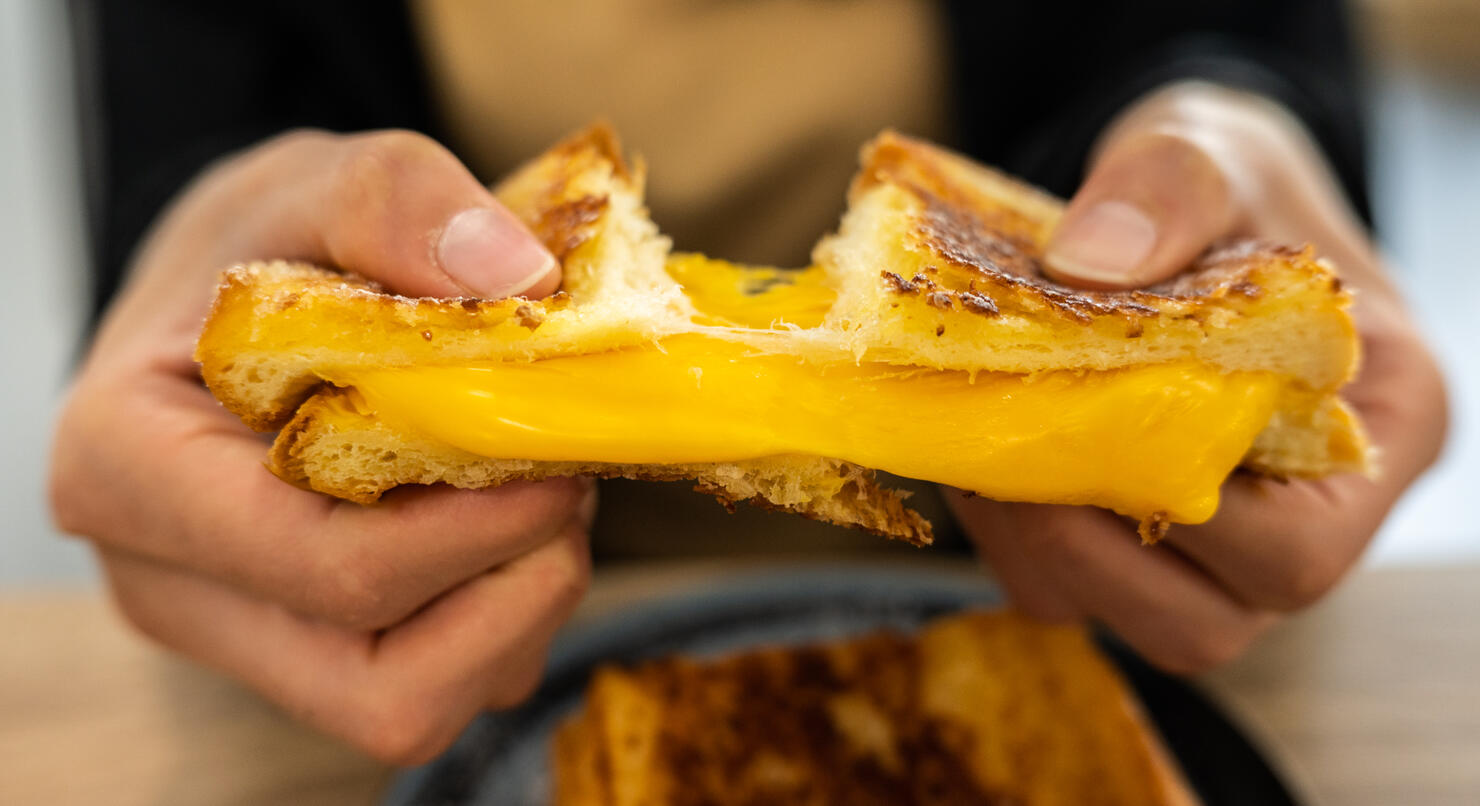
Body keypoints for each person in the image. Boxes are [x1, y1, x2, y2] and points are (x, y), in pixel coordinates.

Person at [51, 1, 1445, 764]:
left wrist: (1234, 124)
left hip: (1065, 594)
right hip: (433, 643)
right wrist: (198, 233)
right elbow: (196, 131)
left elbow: (1231, 32)